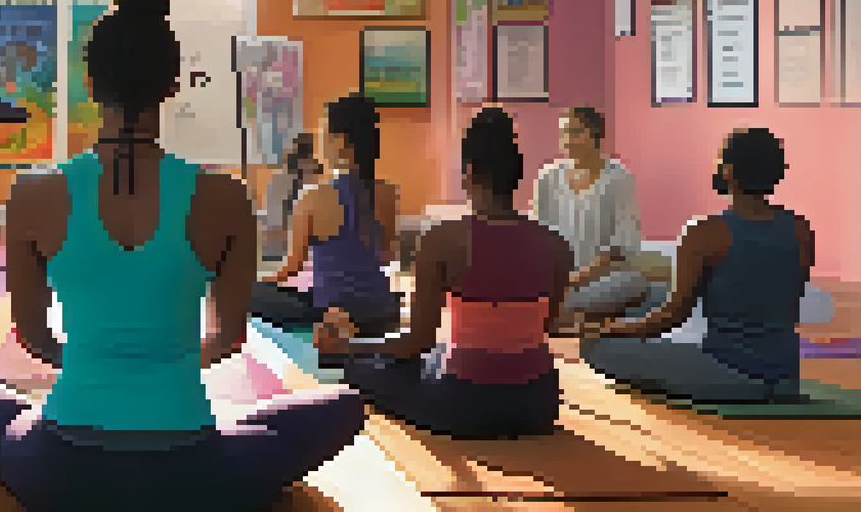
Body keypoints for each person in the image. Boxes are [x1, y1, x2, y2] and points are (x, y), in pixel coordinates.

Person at [0, 0, 365, 512]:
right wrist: (160, 364)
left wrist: (93, 362)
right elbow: (228, 338)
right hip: (193, 471)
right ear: (172, 83)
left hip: (58, 470)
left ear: (88, 81)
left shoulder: (33, 194)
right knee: (344, 404)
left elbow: (34, 338)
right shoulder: (225, 197)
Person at [316, 107, 573, 439]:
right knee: (438, 352)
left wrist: (351, 347)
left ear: (468, 172)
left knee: (360, 368)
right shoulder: (556, 245)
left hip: (463, 404)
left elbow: (417, 340)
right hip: (538, 404)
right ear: (516, 175)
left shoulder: (442, 240)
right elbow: (547, 326)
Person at [580, 128, 812, 403]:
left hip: (730, 375)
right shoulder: (799, 228)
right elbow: (790, 303)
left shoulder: (704, 232)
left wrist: (609, 329)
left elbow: (671, 317)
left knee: (594, 346)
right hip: (787, 376)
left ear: (728, 171)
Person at [252, 95, 401, 337]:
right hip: (380, 309)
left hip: (332, 311)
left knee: (250, 293)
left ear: (340, 141)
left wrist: (262, 280)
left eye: (323, 135)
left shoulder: (311, 196)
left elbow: (291, 268)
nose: (319, 144)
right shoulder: (387, 192)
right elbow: (387, 255)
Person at [533, 107, 656, 330]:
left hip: (599, 278)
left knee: (634, 284)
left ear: (595, 135)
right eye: (564, 134)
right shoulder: (547, 177)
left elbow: (621, 247)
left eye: (575, 132)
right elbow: (538, 238)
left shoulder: (618, 178)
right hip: (556, 279)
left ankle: (560, 318)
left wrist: (572, 281)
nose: (567, 141)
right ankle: (577, 321)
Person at [259, 133, 322, 262]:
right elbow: (277, 223)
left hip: (289, 251)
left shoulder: (282, 180)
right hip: (281, 251)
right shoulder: (283, 182)